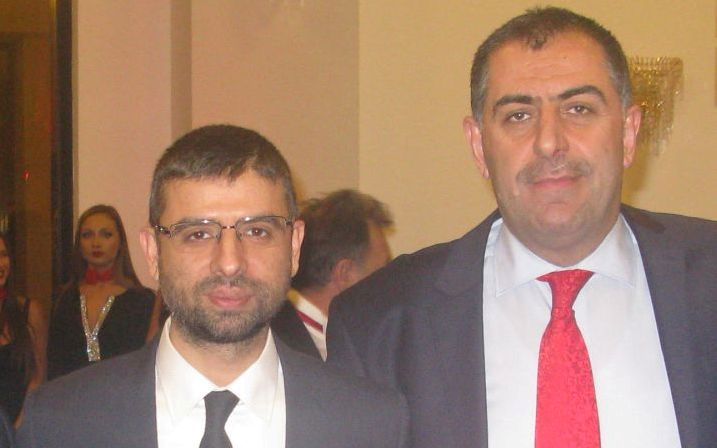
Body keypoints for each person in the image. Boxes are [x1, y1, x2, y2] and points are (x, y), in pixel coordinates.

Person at [327, 7, 717, 448]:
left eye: (578, 108)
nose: (549, 142)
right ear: (479, 146)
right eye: (518, 115)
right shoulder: (378, 323)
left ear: (628, 133)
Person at [18, 125, 407, 447]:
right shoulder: (58, 424)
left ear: (294, 246)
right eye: (198, 234)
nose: (230, 262)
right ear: (152, 252)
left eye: (257, 231)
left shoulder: (372, 425)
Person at [271, 189, 393, 360]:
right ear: (345, 273)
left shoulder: (340, 340)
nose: (389, 284)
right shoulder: (277, 343)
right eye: (383, 270)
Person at [47, 205, 157, 379]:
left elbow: (146, 363)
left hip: (121, 391)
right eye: (87, 235)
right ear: (78, 243)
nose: (96, 243)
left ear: (120, 242)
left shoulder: (143, 300)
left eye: (106, 235)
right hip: (70, 392)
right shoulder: (64, 298)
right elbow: (53, 361)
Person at [0, 234, 46, 425]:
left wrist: (18, 426)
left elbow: (39, 375)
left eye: (3, 255)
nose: (1, 263)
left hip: (21, 424)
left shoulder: (29, 311)